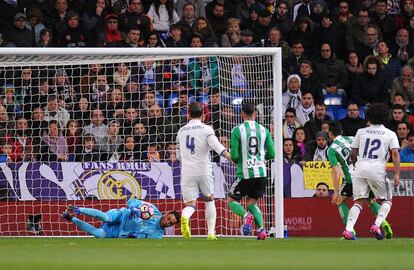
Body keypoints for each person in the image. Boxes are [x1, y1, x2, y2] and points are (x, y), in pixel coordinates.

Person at [343, 103, 400, 240]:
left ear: (370, 116)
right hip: (377, 169)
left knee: (359, 201)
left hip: (360, 168)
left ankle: (349, 230)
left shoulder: (361, 132)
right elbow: (395, 154)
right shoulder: (390, 134)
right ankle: (377, 224)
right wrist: (397, 174)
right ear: (385, 117)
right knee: (387, 199)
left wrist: (357, 165)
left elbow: (352, 152)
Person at [327, 121, 393, 239]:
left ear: (330, 134)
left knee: (340, 201)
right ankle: (383, 223)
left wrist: (336, 192)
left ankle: (350, 231)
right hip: (367, 173)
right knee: (371, 201)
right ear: (342, 132)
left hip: (351, 178)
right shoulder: (353, 138)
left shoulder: (331, 149)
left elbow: (336, 171)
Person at [176, 102, 231, 240]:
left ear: (188, 114)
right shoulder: (207, 129)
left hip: (187, 171)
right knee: (209, 200)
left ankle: (184, 216)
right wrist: (230, 157)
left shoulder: (181, 131)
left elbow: (178, 156)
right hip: (204, 169)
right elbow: (217, 146)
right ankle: (211, 233)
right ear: (203, 115)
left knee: (190, 204)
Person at [228, 102, 275, 240]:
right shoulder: (264, 130)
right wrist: (260, 158)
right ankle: (261, 230)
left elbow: (235, 156)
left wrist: (238, 160)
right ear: (255, 114)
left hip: (245, 173)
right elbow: (272, 154)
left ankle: (245, 216)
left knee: (231, 200)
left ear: (242, 114)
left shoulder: (237, 130)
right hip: (261, 173)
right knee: (252, 203)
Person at [61, 198, 180, 239]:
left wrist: (136, 236)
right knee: (106, 217)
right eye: (169, 218)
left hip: (122, 231)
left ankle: (71, 218)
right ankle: (78, 209)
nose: (168, 222)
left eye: (171, 223)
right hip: (124, 215)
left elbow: (141, 238)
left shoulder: (157, 236)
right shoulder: (152, 209)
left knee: (99, 234)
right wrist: (134, 209)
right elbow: (132, 201)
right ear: (167, 213)